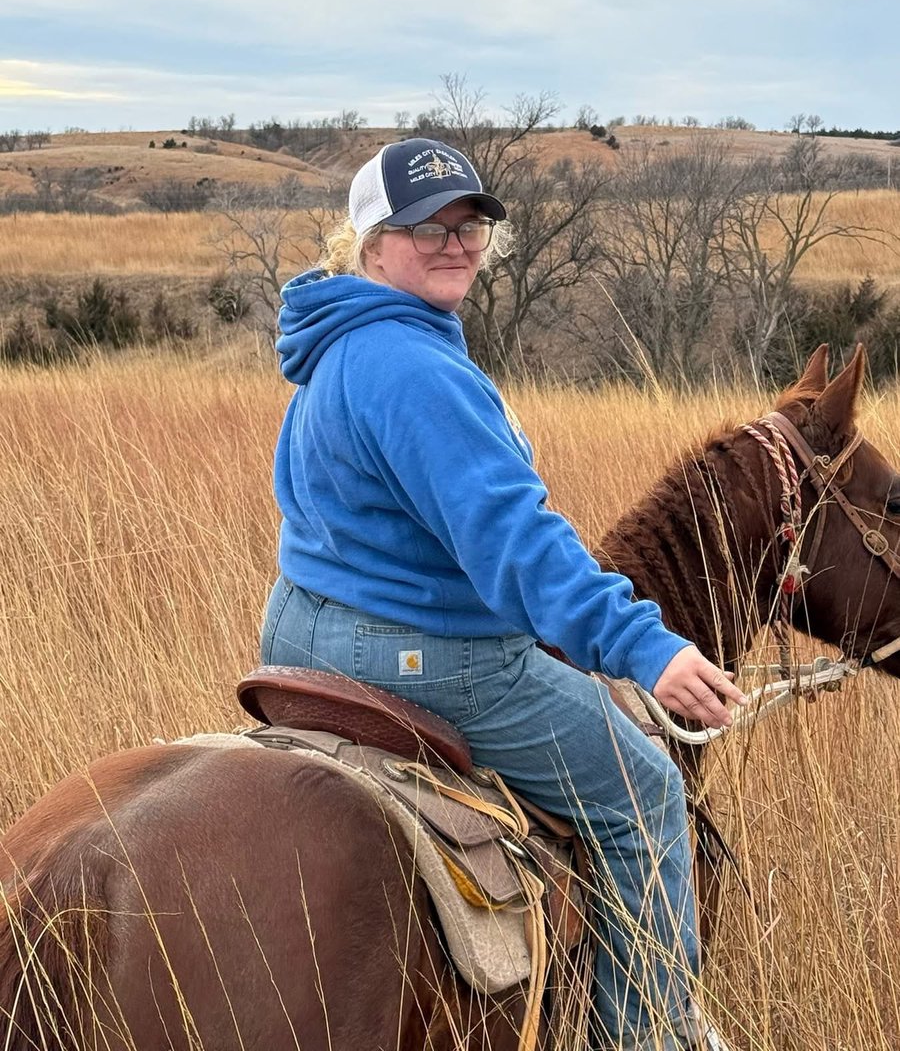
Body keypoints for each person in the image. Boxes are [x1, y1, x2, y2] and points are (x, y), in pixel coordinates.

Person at [261, 137, 745, 1050]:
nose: (453, 241)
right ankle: (648, 1036)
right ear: (369, 243)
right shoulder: (416, 371)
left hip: (303, 628)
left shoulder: (343, 340)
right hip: (430, 654)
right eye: (423, 226)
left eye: (469, 223)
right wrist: (651, 648)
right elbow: (517, 547)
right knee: (646, 799)